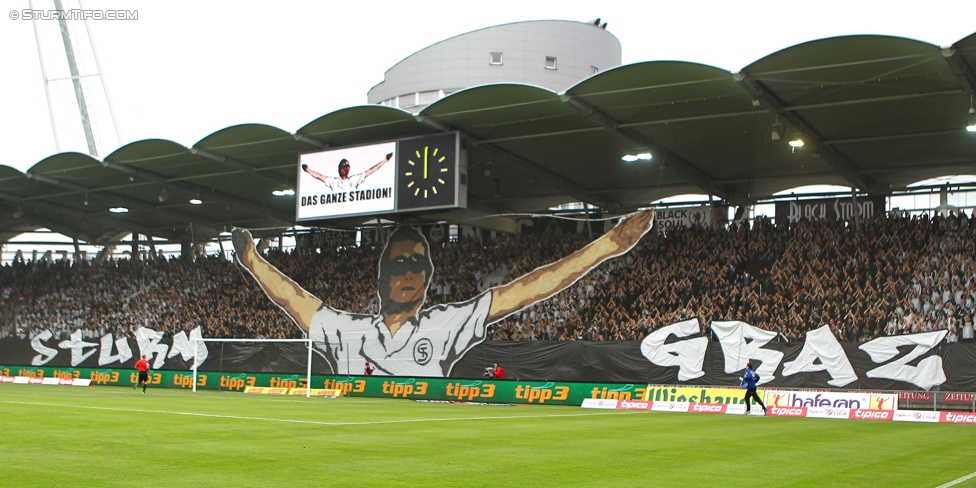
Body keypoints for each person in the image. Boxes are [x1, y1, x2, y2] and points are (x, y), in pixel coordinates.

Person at [232, 210, 654, 377]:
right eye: (399, 264)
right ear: (381, 278)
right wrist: (251, 259)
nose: (410, 272)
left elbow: (524, 292)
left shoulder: (445, 323)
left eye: (418, 264)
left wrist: (608, 246)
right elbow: (293, 298)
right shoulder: (346, 329)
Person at [302, 153, 392, 192]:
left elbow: (371, 170)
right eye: (342, 166)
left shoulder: (355, 179)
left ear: (349, 168)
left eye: (346, 166)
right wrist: (308, 170)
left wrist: (385, 160)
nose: (344, 169)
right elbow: (319, 176)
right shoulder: (334, 181)